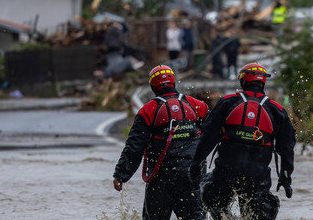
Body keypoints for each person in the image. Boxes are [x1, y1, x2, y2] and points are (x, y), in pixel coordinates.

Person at [190, 63, 296, 220]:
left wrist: (195, 164)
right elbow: (286, 148)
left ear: (243, 81)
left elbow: (208, 138)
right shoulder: (277, 110)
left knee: (213, 197)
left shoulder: (227, 102)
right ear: (263, 82)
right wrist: (285, 177)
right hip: (258, 176)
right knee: (262, 211)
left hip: (226, 172)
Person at [112, 65, 209, 220]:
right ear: (174, 82)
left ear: (152, 86)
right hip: (192, 177)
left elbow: (134, 147)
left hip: (161, 179)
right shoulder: (198, 105)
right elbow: (213, 134)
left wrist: (121, 175)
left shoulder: (147, 111)